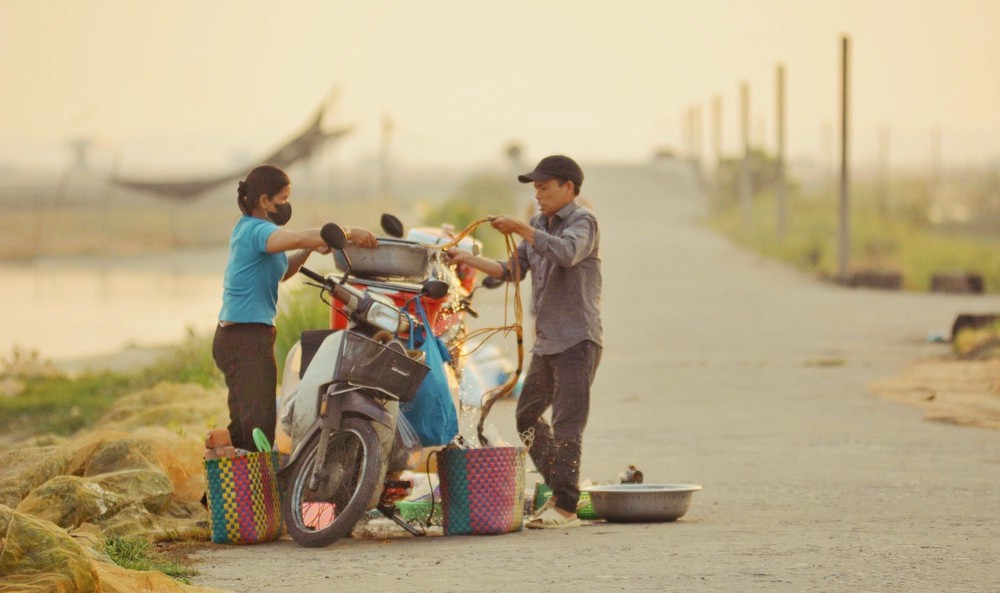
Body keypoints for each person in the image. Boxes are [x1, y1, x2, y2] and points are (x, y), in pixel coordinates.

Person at [446, 155, 602, 529]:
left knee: (567, 425)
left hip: (578, 340)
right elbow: (511, 271)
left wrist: (522, 228)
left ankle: (565, 507)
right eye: (535, 188)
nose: (538, 194)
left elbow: (566, 253)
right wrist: (467, 259)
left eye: (544, 188)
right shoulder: (537, 224)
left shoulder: (583, 222)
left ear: (568, 188)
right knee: (527, 416)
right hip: (547, 343)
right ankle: (563, 490)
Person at [212, 164, 377, 452]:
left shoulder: (253, 231)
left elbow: (283, 270)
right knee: (258, 425)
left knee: (244, 423)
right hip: (246, 338)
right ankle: (253, 490)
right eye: (283, 199)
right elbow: (300, 236)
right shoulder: (257, 231)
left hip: (239, 336)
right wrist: (348, 232)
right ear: (264, 201)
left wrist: (309, 250)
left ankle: (227, 492)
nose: (287, 206)